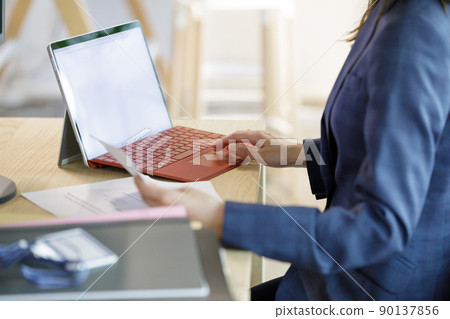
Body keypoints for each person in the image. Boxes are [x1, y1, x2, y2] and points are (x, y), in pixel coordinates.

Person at [135, 0, 450, 301]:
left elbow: (379, 228)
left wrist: (221, 218)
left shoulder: (413, 33)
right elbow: (378, 156)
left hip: (367, 293)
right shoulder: (392, 10)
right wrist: (289, 152)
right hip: (337, 279)